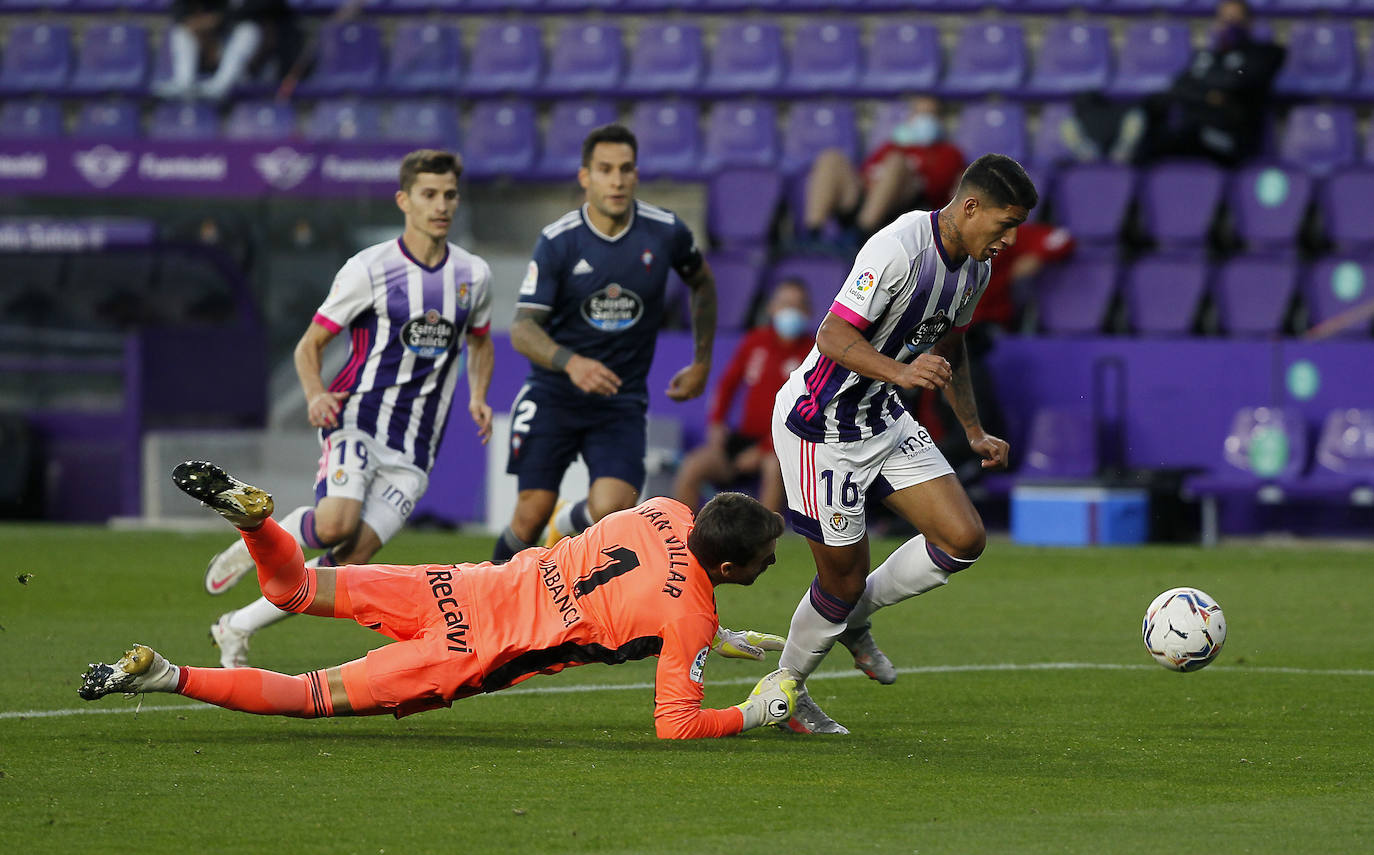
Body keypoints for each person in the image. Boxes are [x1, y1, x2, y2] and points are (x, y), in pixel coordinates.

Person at [79, 461, 797, 740]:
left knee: (294, 587)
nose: (769, 567)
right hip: (466, 652)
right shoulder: (689, 615)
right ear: (730, 564)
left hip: (462, 585)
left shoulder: (666, 509)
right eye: (764, 559)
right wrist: (750, 709)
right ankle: (169, 676)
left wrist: (704, 632)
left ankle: (257, 521)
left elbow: (644, 590)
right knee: (309, 696)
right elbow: (675, 724)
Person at [770, 153, 1037, 734]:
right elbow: (832, 335)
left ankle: (849, 618)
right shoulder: (899, 248)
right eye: (1004, 224)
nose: (1011, 240)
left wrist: (971, 428)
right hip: (822, 424)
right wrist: (900, 372)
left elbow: (951, 346)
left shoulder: (976, 266)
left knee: (963, 539)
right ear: (970, 208)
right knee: (840, 577)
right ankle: (786, 692)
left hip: (882, 418)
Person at [200, 149, 496, 669]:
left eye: (449, 195)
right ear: (404, 200)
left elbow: (482, 342)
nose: (441, 205)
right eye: (429, 195)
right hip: (355, 418)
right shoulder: (370, 268)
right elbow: (308, 345)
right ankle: (255, 541)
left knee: (351, 560)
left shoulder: (475, 276)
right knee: (336, 524)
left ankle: (236, 627)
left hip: (415, 448)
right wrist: (315, 394)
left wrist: (477, 395)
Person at [491, 124, 717, 562]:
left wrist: (702, 362)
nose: (616, 180)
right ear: (585, 177)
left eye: (626, 170)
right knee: (529, 514)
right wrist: (572, 362)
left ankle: (568, 522)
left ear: (636, 174)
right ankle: (485, 598)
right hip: (555, 393)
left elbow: (702, 283)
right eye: (605, 170)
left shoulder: (665, 232)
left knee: (613, 511)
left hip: (620, 399)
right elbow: (522, 328)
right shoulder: (558, 241)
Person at [900, 220, 1076, 482]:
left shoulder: (1006, 237)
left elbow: (1062, 237)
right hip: (939, 337)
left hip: (976, 333)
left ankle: (935, 470)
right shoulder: (943, 243)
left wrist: (1036, 257)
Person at [1061, 0, 1285, 166]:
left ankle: (1110, 151)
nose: (1229, 25)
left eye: (1235, 19)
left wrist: (1201, 89)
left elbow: (1240, 82)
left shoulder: (1264, 53)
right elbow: (1179, 87)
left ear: (1249, 22)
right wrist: (1208, 95)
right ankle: (1101, 140)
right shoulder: (1206, 57)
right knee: (1135, 103)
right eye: (1224, 19)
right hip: (1190, 126)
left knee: (1157, 139)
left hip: (1226, 139)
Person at [673, 278, 815, 514]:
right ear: (771, 308)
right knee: (693, 466)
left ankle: (764, 542)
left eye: (797, 305)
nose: (790, 311)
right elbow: (727, 385)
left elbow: (810, 409)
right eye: (784, 304)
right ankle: (685, 537)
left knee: (773, 466)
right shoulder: (755, 342)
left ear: (808, 312)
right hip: (743, 438)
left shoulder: (813, 352)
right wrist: (717, 424)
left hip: (783, 443)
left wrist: (765, 448)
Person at [802, 95, 965, 245]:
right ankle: (813, 231)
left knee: (897, 162)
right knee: (831, 158)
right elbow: (865, 172)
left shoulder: (948, 153)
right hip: (865, 198)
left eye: (929, 115)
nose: (923, 120)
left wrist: (901, 170)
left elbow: (936, 189)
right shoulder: (891, 145)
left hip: (903, 210)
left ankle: (862, 232)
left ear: (939, 120)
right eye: (918, 113)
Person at [153, 0, 300, 101]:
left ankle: (221, 84)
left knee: (248, 31)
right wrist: (204, 26)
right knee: (182, 30)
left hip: (258, 67)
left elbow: (260, 11)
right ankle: (184, 81)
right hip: (218, 54)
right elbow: (180, 10)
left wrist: (216, 20)